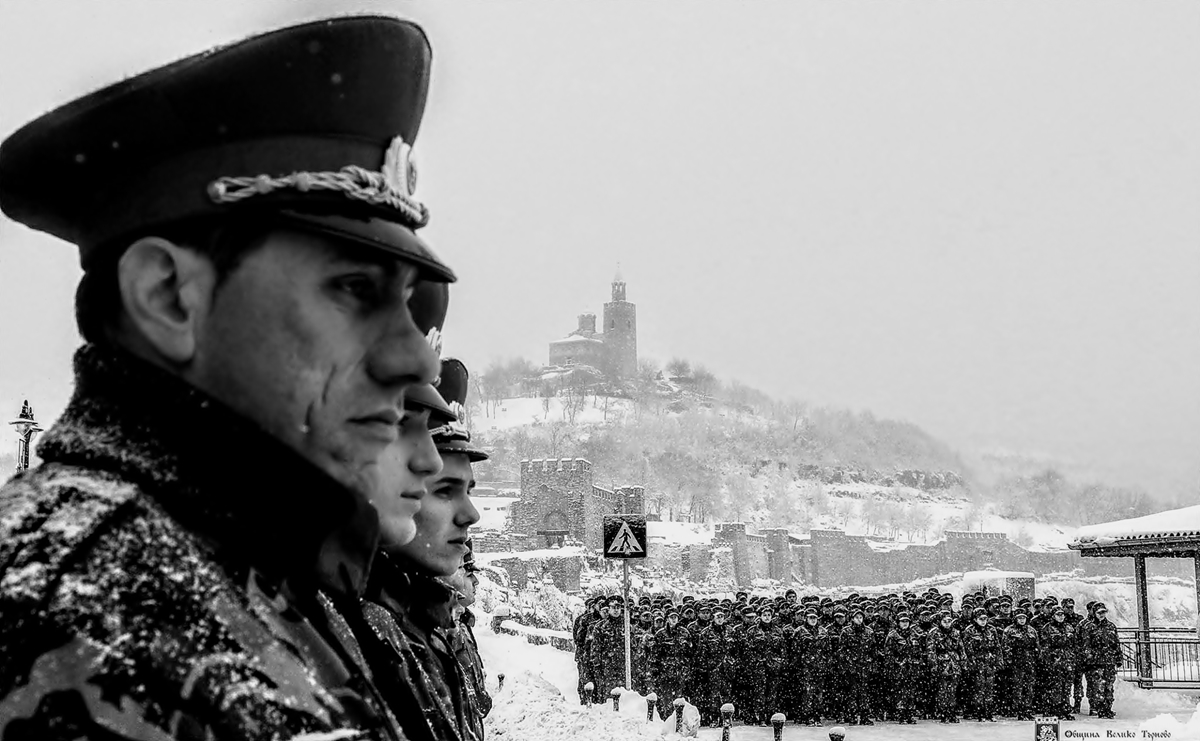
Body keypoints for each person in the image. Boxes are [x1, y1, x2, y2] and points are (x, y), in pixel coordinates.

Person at [0, 16, 455, 741]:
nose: (416, 359)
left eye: (404, 300)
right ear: (170, 296)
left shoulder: (254, 565)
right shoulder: (86, 616)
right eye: (355, 290)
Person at [361, 357, 486, 741]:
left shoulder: (430, 622)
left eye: (468, 490)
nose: (471, 515)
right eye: (445, 491)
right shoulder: (375, 633)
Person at [1080, 602, 1120, 719]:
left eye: (1104, 612)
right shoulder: (1089, 627)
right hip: (1096, 662)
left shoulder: (1111, 626)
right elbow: (1086, 645)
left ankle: (1108, 708)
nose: (1102, 615)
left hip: (1109, 661)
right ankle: (1100, 709)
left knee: (1109, 686)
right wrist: (1089, 658)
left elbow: (1116, 644)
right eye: (1099, 612)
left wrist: (1118, 658)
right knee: (1098, 687)